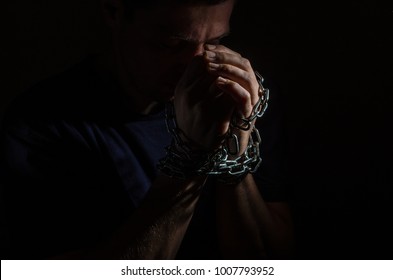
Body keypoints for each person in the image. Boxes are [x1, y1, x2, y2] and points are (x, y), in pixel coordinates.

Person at [0, 0, 294, 259]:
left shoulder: (241, 96)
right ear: (114, 10)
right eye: (171, 44)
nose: (197, 65)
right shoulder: (40, 128)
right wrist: (189, 155)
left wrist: (234, 148)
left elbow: (268, 264)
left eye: (214, 42)